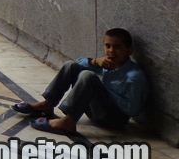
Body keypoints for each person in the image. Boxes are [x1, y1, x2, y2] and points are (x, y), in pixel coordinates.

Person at [11, 28, 148, 136]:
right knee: (72, 65)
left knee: (88, 76)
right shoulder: (108, 64)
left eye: (117, 47)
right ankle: (48, 104)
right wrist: (95, 62)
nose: (111, 51)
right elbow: (77, 63)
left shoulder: (134, 76)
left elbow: (132, 109)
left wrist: (103, 91)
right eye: (107, 46)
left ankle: (68, 122)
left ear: (129, 51)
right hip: (95, 112)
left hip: (113, 120)